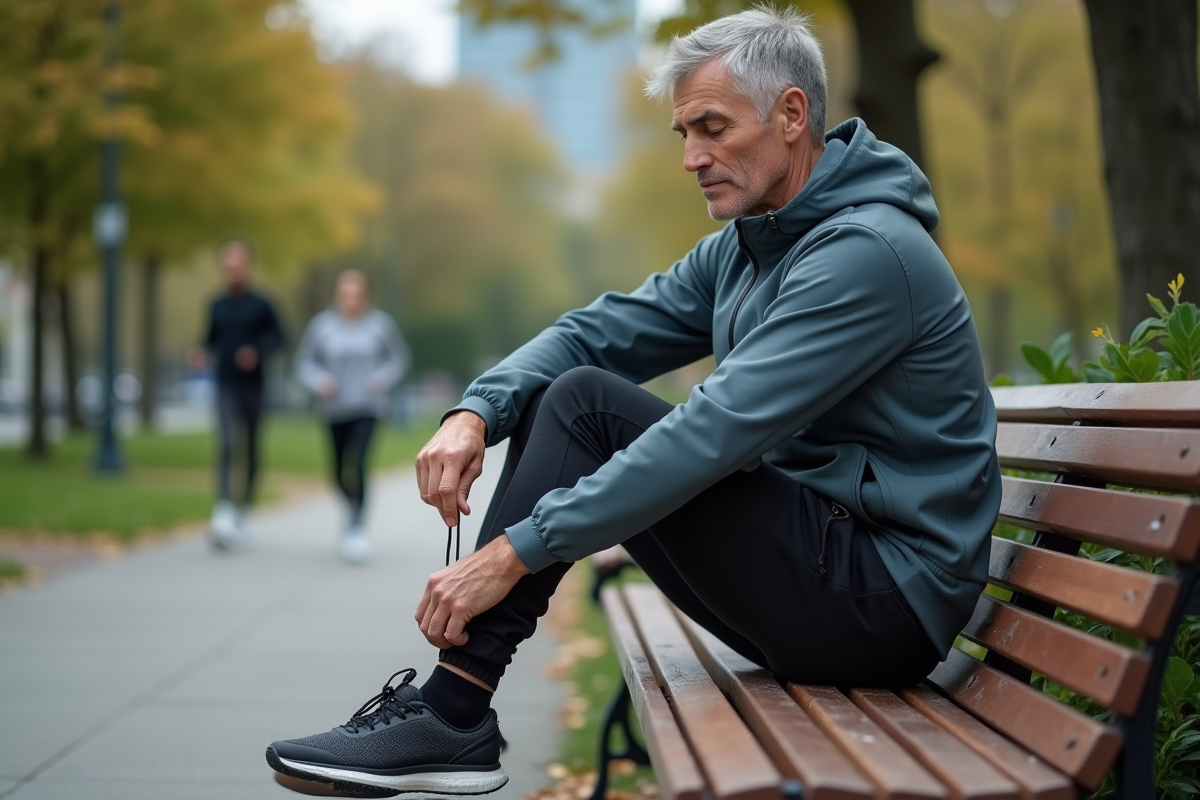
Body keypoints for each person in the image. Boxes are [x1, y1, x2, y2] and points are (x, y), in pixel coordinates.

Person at [265, 8, 1001, 796]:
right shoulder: (753, 244)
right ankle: (454, 714)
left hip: (882, 603)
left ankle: (453, 711)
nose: (691, 157)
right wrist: (475, 411)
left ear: (791, 115)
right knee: (571, 386)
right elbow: (601, 332)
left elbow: (711, 434)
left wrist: (510, 554)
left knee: (587, 408)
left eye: (712, 128)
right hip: (824, 567)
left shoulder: (866, 255)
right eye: (684, 133)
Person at [295, 270, 411, 564]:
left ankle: (356, 529)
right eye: (345, 293)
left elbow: (399, 358)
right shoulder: (322, 326)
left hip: (368, 407)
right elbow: (304, 363)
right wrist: (319, 381)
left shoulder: (380, 325)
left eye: (356, 293)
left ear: (366, 296)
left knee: (358, 464)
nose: (351, 299)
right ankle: (350, 510)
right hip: (334, 409)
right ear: (337, 295)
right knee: (336, 473)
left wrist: (382, 378)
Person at [193, 240, 285, 549]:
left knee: (251, 448)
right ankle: (222, 509)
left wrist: (257, 352)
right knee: (227, 442)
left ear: (247, 266)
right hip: (226, 385)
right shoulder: (216, 304)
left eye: (237, 264)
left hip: (255, 387)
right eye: (227, 265)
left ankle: (244, 509)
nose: (232, 270)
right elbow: (210, 337)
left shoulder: (261, 304)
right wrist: (201, 351)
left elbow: (279, 338)